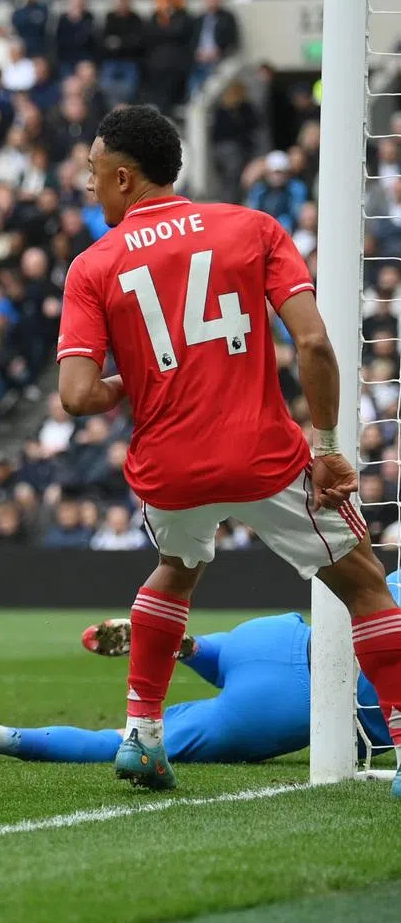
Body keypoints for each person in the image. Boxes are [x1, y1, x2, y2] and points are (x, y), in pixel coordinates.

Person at [55, 104, 401, 794]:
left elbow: (77, 395)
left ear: (124, 177)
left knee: (175, 569)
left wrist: (135, 378)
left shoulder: (93, 266)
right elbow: (311, 343)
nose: (88, 186)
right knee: (364, 586)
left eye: (93, 173)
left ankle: (143, 736)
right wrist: (330, 444)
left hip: (168, 466)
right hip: (263, 454)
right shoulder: (253, 227)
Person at [0, 584, 401, 765]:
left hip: (280, 635)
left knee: (216, 655)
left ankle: (176, 644)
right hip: (293, 704)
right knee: (126, 742)